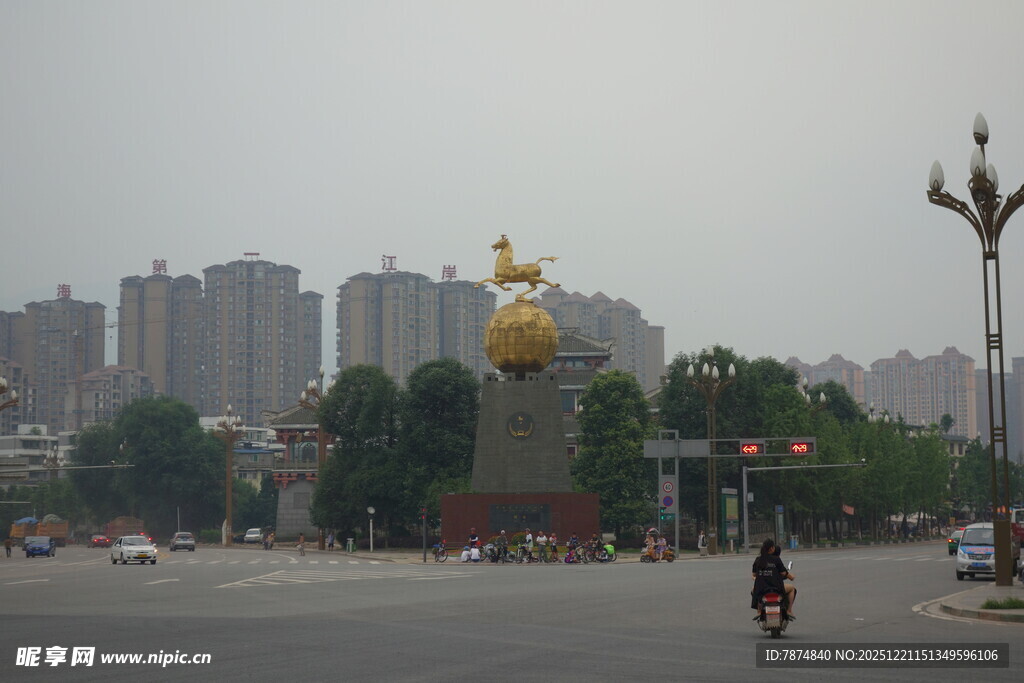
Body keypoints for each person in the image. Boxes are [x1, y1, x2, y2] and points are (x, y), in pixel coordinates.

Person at [751, 539, 793, 619]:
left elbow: (754, 574)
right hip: (776, 588)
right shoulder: (776, 559)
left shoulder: (758, 559)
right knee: (792, 589)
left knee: (754, 590)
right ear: (772, 548)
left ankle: (759, 611)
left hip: (762, 589)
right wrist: (791, 577)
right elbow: (783, 573)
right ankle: (789, 610)